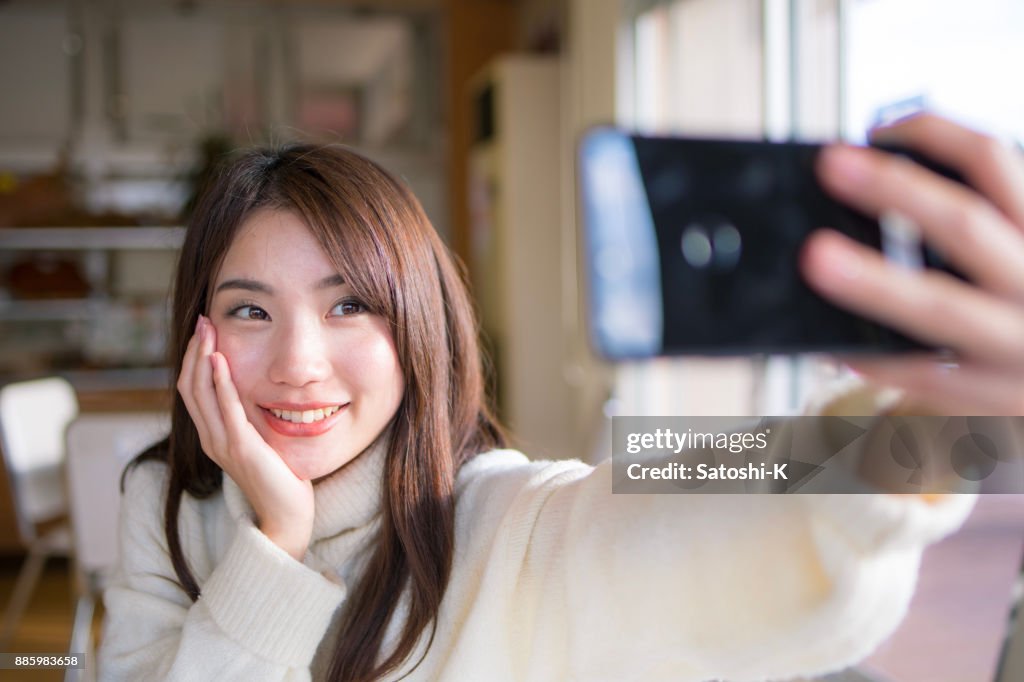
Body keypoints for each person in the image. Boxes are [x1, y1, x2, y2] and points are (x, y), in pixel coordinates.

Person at [99, 113, 1012, 681]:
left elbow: (687, 479)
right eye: (250, 309)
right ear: (197, 333)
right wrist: (276, 544)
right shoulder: (167, 502)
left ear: (418, 328)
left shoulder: (506, 510)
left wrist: (930, 437)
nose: (298, 363)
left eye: (350, 305)